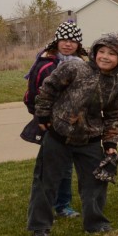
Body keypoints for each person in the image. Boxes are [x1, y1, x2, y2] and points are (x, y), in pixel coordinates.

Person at [27, 32, 118, 236]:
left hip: (89, 140)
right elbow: (48, 89)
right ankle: (40, 227)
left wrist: (110, 143)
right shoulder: (74, 68)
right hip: (58, 136)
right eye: (101, 51)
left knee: (95, 183)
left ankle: (95, 223)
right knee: (46, 181)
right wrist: (43, 114)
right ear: (94, 52)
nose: (105, 57)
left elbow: (113, 116)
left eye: (112, 54)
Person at [23, 20, 88, 219]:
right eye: (64, 40)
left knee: (66, 166)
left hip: (72, 124)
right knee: (48, 168)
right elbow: (34, 94)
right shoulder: (45, 64)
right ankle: (44, 207)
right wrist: (43, 117)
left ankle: (63, 204)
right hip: (50, 124)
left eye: (73, 41)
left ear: (78, 44)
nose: (68, 44)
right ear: (56, 41)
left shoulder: (81, 65)